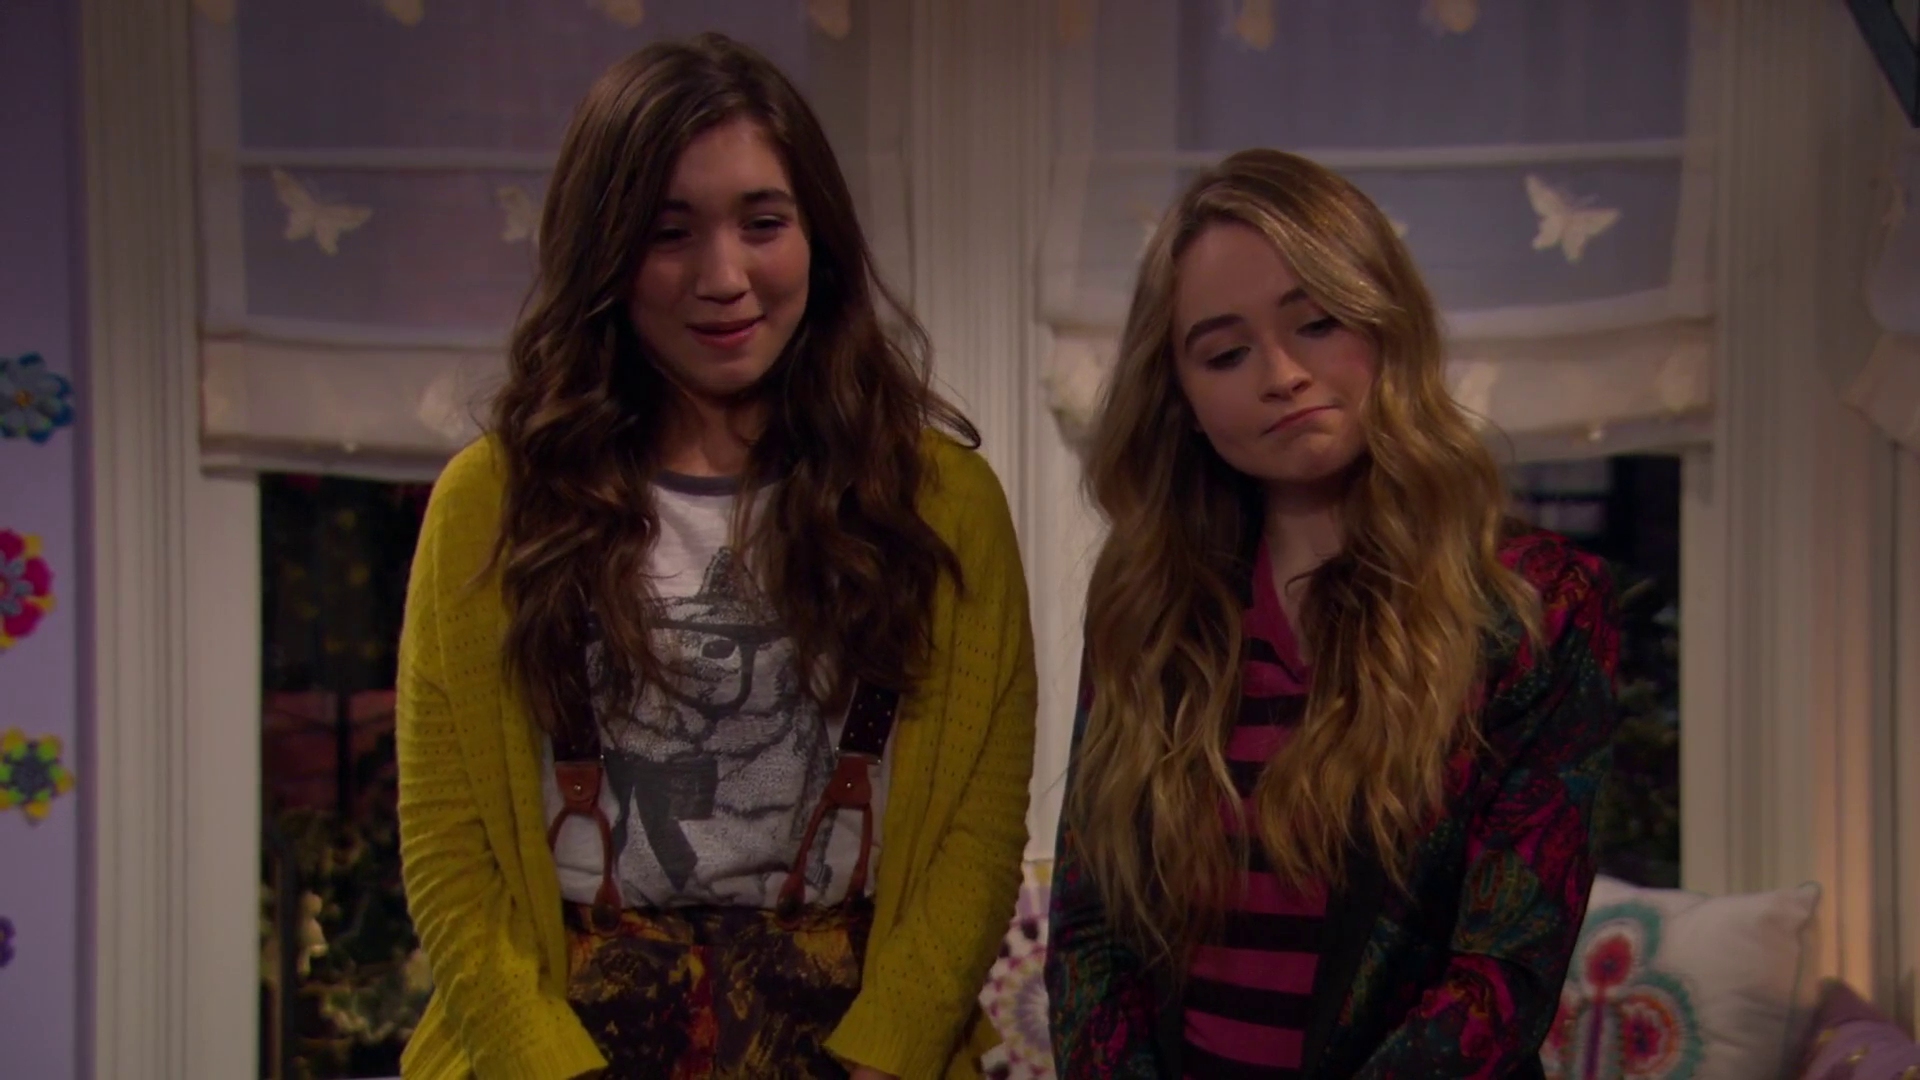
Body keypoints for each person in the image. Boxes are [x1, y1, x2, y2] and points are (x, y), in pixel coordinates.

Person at [395, 32, 1037, 1080]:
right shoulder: (492, 503)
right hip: (560, 1044)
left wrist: (890, 1054)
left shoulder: (940, 503)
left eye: (763, 223)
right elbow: (446, 842)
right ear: (604, 254)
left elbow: (979, 822)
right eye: (669, 233)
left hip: (858, 1043)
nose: (724, 277)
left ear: (818, 237)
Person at [1044, 148, 1622, 1079]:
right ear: (1181, 397)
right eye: (1226, 353)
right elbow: (1091, 931)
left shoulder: (1534, 606)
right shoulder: (1151, 604)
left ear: (1384, 323)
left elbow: (1502, 973)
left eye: (1316, 324)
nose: (1281, 373)